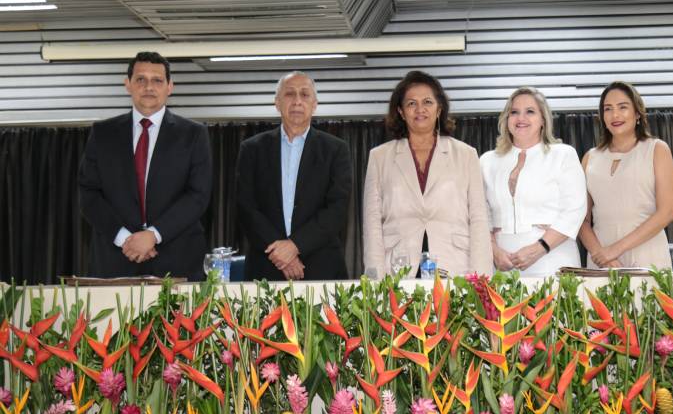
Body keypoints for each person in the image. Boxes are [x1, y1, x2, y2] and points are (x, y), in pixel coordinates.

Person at [78, 51, 212, 279]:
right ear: (127, 84)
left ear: (170, 87)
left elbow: (198, 195)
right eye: (141, 79)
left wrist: (153, 235)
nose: (149, 87)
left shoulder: (194, 134)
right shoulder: (102, 134)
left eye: (157, 80)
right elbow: (88, 194)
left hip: (178, 261)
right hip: (115, 259)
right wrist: (125, 239)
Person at [363, 70, 493, 278]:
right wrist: (375, 280)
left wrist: (481, 278)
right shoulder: (379, 157)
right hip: (398, 269)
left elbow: (479, 219)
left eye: (427, 102)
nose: (420, 109)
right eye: (411, 103)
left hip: (454, 267)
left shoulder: (466, 154)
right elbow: (372, 225)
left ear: (439, 109)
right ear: (401, 111)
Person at [236, 71, 352, 281]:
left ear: (314, 104)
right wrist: (282, 255)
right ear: (277, 103)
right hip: (266, 266)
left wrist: (295, 246)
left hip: (321, 267)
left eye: (304, 94)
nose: (297, 101)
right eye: (289, 94)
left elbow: (337, 208)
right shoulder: (252, 149)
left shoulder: (336, 150)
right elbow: (246, 207)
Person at [480, 88, 586, 277]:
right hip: (502, 264)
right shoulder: (487, 161)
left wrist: (539, 248)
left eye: (530, 111)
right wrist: (493, 250)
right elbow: (480, 213)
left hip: (552, 258)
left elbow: (574, 210)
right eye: (514, 112)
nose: (521, 118)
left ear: (543, 119)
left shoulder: (563, 155)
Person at [579, 81, 673, 270]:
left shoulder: (657, 149)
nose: (615, 115)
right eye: (608, 109)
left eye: (622, 107)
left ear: (637, 113)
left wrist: (614, 250)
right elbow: (581, 219)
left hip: (648, 256)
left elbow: (667, 212)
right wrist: (602, 255)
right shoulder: (590, 158)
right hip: (601, 261)